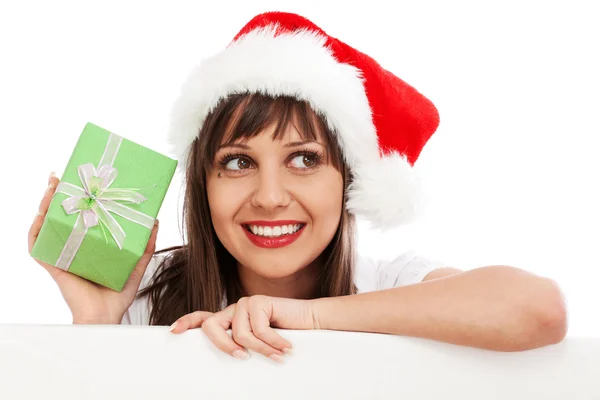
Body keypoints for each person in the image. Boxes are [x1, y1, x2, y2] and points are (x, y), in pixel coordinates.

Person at [28, 11, 567, 363]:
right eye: (237, 162)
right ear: (203, 184)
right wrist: (98, 325)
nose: (268, 195)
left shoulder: (389, 284)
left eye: (304, 159)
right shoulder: (156, 298)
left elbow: (538, 309)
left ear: (347, 181)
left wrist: (309, 317)